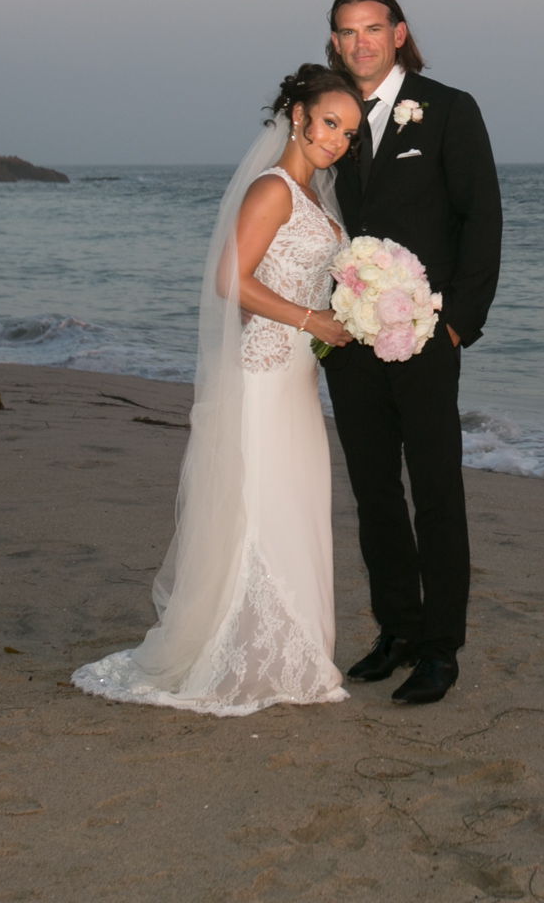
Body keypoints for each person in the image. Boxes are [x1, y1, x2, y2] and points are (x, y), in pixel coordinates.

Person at [73, 64, 363, 716]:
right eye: (329, 123)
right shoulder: (273, 189)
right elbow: (231, 280)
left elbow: (304, 276)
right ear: (298, 116)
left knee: (298, 502)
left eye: (348, 131)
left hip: (297, 378)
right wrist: (311, 318)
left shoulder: (316, 195)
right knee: (261, 505)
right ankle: (250, 650)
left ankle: (292, 649)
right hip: (264, 377)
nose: (337, 139)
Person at [321, 0, 502, 707]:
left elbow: (481, 218)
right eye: (346, 31)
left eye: (373, 28)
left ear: (399, 32)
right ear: (334, 41)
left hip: (425, 336)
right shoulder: (327, 118)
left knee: (435, 492)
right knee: (373, 493)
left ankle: (439, 647)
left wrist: (458, 320)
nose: (360, 41)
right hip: (348, 340)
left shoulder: (450, 109)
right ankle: (396, 630)